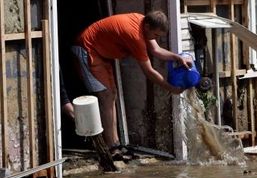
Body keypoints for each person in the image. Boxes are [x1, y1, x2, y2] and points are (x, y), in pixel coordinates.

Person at [72, 11, 191, 150]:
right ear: (147, 27)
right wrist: (170, 88)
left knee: (111, 95)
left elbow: (157, 50)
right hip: (87, 48)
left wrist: (177, 58)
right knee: (106, 96)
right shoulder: (135, 35)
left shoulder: (143, 22)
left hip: (100, 52)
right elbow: (149, 72)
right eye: (156, 35)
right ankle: (111, 146)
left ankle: (114, 143)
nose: (156, 38)